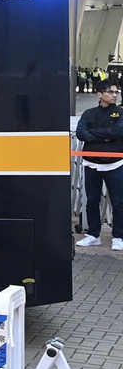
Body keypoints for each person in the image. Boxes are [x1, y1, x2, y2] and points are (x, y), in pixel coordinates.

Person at [76, 80, 123, 249]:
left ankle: (118, 236)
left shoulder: (120, 113)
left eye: (116, 92)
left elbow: (118, 132)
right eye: (111, 92)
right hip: (91, 164)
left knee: (118, 202)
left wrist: (93, 133)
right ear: (99, 94)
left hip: (115, 164)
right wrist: (105, 137)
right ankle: (93, 234)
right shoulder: (89, 113)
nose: (115, 95)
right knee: (92, 201)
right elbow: (81, 133)